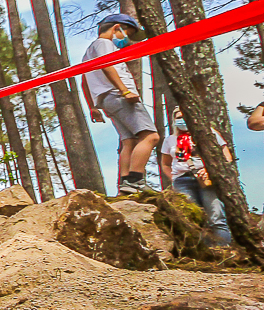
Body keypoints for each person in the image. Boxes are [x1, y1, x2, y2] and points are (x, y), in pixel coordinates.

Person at [81, 13, 159, 195]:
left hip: (107, 100)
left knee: (129, 140)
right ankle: (135, 181)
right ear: (117, 28)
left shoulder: (88, 52)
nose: (126, 40)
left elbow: (84, 82)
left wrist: (93, 106)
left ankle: (125, 185)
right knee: (150, 136)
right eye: (127, 34)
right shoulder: (104, 43)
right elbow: (106, 65)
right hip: (119, 95)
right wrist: (124, 90)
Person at [162, 106, 234, 245]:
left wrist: (211, 171)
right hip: (182, 181)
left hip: (207, 178)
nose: (182, 120)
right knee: (192, 220)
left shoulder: (209, 133)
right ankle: (203, 250)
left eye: (184, 116)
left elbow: (227, 157)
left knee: (216, 217)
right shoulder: (170, 140)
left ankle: (223, 250)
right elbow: (165, 164)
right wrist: (174, 179)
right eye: (178, 118)